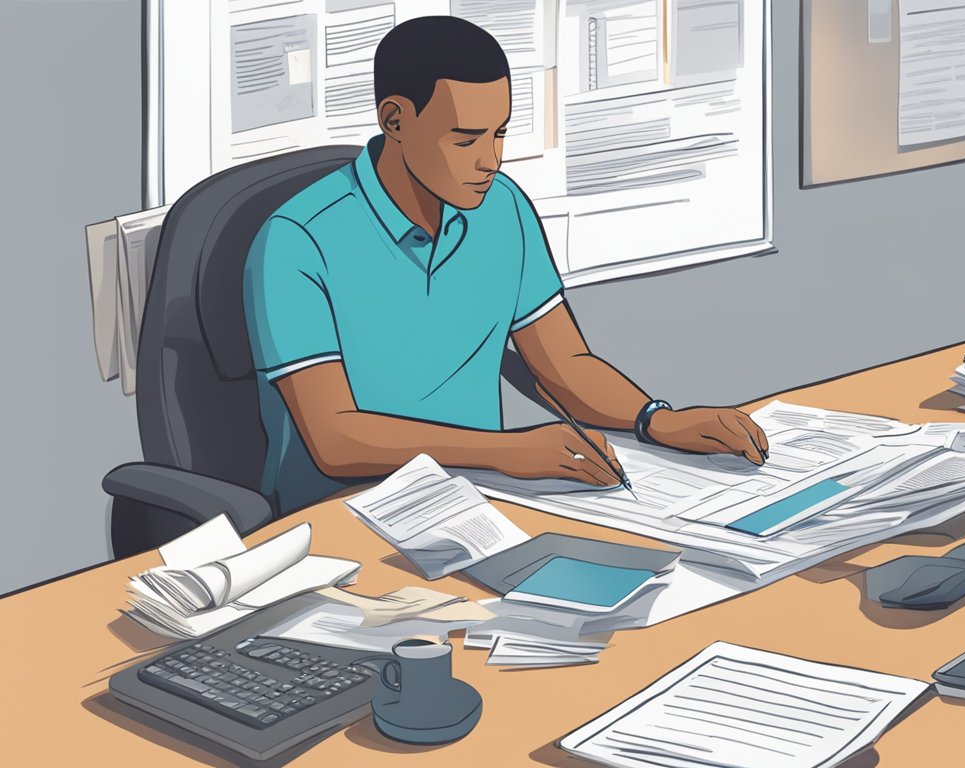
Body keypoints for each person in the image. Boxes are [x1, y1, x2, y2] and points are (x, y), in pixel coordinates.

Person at [243, 16, 768, 513]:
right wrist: (505, 451)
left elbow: (565, 366)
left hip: (478, 495)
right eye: (466, 139)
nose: (490, 160)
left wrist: (656, 420)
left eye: (499, 133)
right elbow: (335, 440)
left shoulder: (503, 207)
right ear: (396, 120)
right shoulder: (297, 240)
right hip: (344, 512)